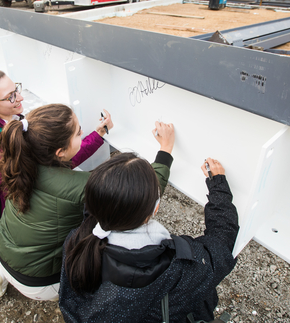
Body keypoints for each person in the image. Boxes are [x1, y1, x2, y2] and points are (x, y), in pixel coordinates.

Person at [59, 123, 239, 323]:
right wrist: (218, 186)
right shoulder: (173, 267)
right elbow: (221, 246)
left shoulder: (77, 239)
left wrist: (165, 151)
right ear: (155, 209)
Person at [0, 70, 108, 246]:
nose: (21, 97)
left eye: (17, 89)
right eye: (11, 97)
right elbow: (54, 165)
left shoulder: (4, 124)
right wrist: (96, 137)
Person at [0, 103, 115, 300]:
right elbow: (132, 198)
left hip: (6, 256)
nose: (82, 132)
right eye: (78, 132)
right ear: (59, 152)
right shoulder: (84, 186)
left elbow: (70, 157)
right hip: (40, 283)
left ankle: (2, 275)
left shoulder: (24, 161)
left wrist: (98, 135)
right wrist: (165, 153)